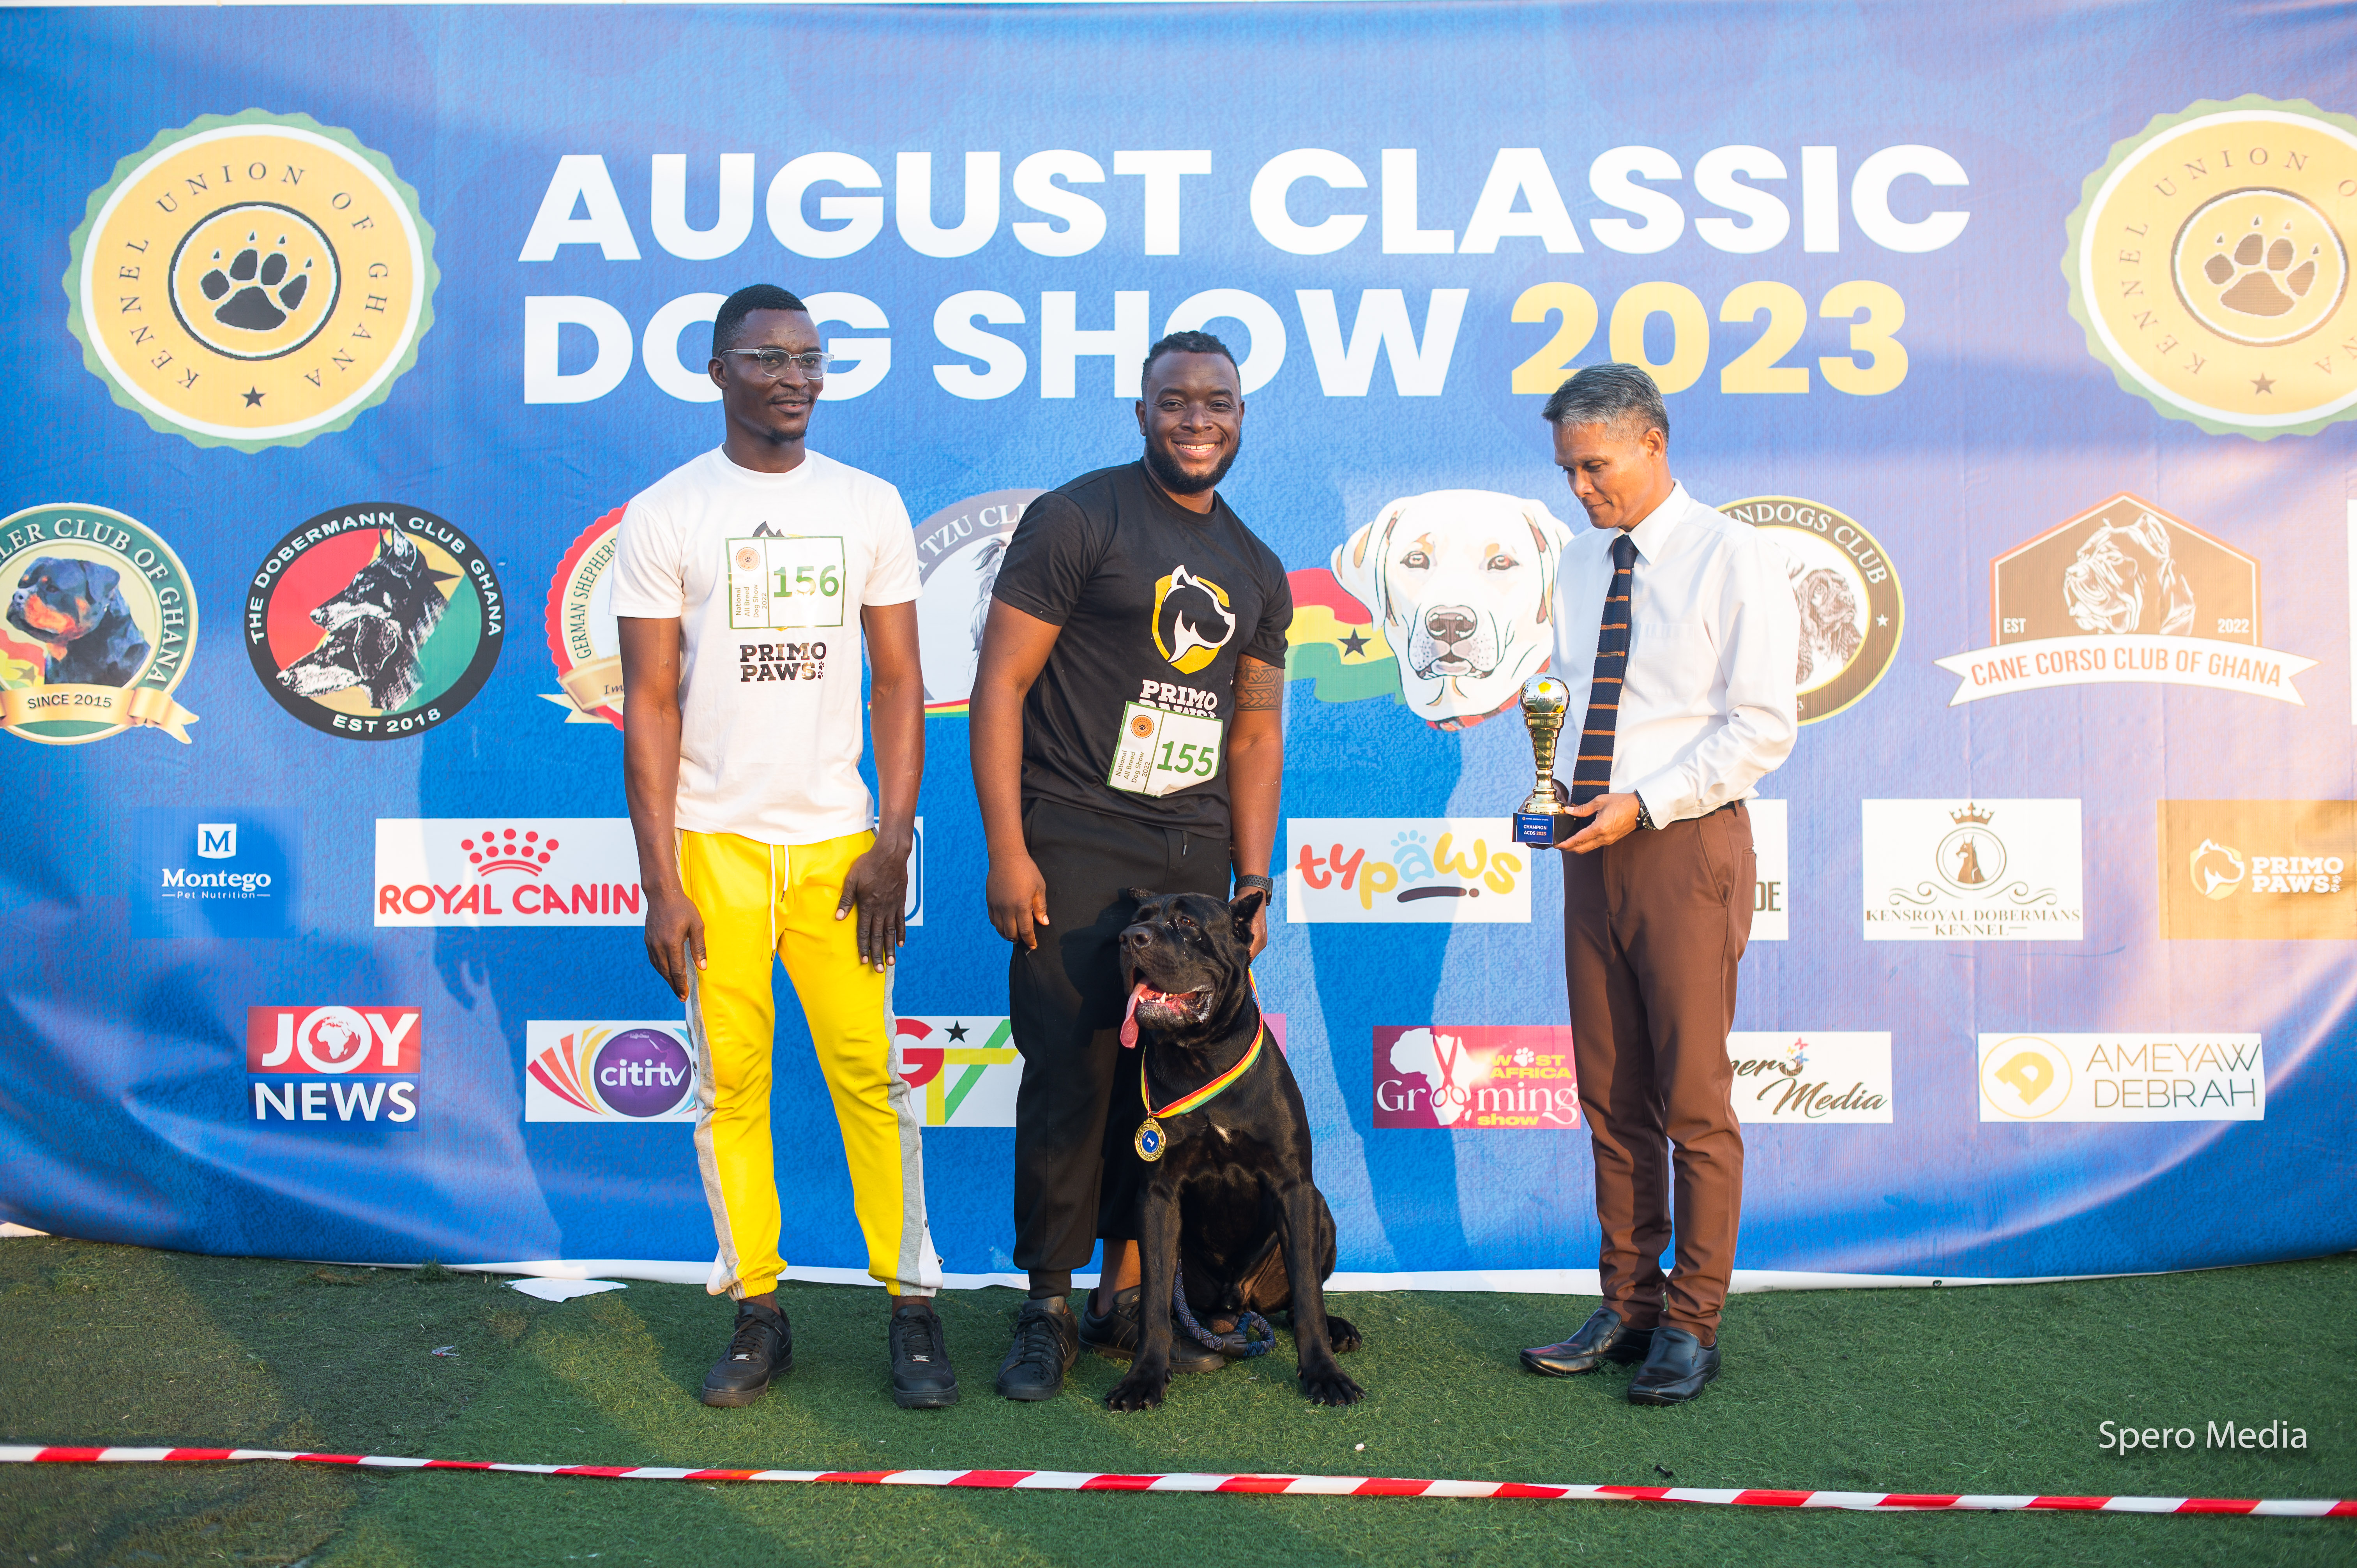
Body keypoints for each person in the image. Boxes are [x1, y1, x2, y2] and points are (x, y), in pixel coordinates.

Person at [613, 283, 953, 1411]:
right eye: (768, 359)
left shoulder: (867, 503)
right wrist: (662, 882)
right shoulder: (666, 512)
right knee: (733, 1086)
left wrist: (891, 841)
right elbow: (650, 703)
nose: (795, 377)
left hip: (836, 851)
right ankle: (759, 1309)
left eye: (810, 358)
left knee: (872, 1078)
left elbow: (900, 682)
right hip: (711, 847)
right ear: (719, 372)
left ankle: (913, 1305)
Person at [969, 330, 1292, 1400]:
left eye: (1219, 402)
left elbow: (1255, 733)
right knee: (1072, 1074)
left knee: (1161, 1088)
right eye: (1176, 400)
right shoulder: (1078, 519)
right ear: (1142, 412)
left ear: (1241, 416)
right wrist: (1009, 849)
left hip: (1193, 856)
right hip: (1075, 834)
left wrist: (1252, 881)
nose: (1199, 419)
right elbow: (1001, 687)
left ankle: (1128, 1298)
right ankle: (1047, 1307)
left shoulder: (1258, 569)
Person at [1519, 363, 1798, 1404]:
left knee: (1692, 1101)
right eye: (1567, 470)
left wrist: (1647, 802)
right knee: (1609, 1095)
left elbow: (1763, 725)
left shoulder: (1735, 555)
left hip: (1685, 845)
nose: (1579, 487)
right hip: (1590, 848)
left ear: (1653, 442)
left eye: (1594, 466)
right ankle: (1629, 1303)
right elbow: (1577, 699)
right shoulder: (1579, 561)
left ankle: (1693, 1321)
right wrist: (1552, 787)